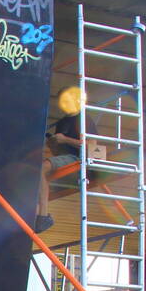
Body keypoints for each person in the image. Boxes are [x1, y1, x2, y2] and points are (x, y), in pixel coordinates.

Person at [36, 88, 96, 234]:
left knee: (41, 168)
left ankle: (42, 216)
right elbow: (58, 153)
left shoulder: (84, 119)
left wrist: (65, 139)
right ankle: (36, 215)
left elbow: (93, 147)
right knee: (33, 171)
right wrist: (54, 143)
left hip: (78, 158)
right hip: (64, 158)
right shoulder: (62, 122)